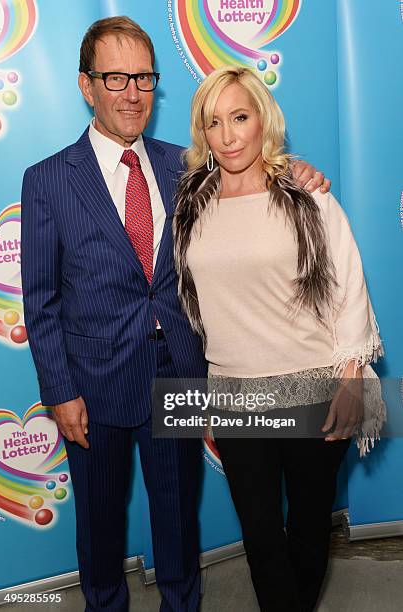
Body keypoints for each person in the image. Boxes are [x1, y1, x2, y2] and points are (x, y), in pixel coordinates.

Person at [21, 16, 330, 612]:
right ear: (87, 86)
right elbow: (40, 301)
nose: (133, 93)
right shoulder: (48, 181)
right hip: (95, 382)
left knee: (177, 520)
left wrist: (294, 170)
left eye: (144, 78)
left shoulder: (184, 164)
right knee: (101, 527)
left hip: (180, 373)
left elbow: (251, 174)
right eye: (116, 78)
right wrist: (60, 391)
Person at [173, 66, 385, 612]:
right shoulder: (192, 203)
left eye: (239, 117)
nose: (228, 135)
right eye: (214, 122)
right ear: (203, 132)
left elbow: (349, 289)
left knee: (308, 531)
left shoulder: (305, 197)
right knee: (262, 538)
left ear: (261, 119)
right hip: (236, 395)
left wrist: (351, 384)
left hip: (315, 390)